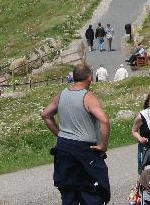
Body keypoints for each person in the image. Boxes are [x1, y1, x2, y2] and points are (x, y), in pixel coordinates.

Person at [41, 64, 111, 205]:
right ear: (89, 78)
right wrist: (103, 145)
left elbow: (46, 115)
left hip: (63, 149)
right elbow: (104, 121)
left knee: (68, 193)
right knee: (91, 192)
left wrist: (59, 134)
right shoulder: (88, 97)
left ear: (74, 77)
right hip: (84, 149)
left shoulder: (61, 95)